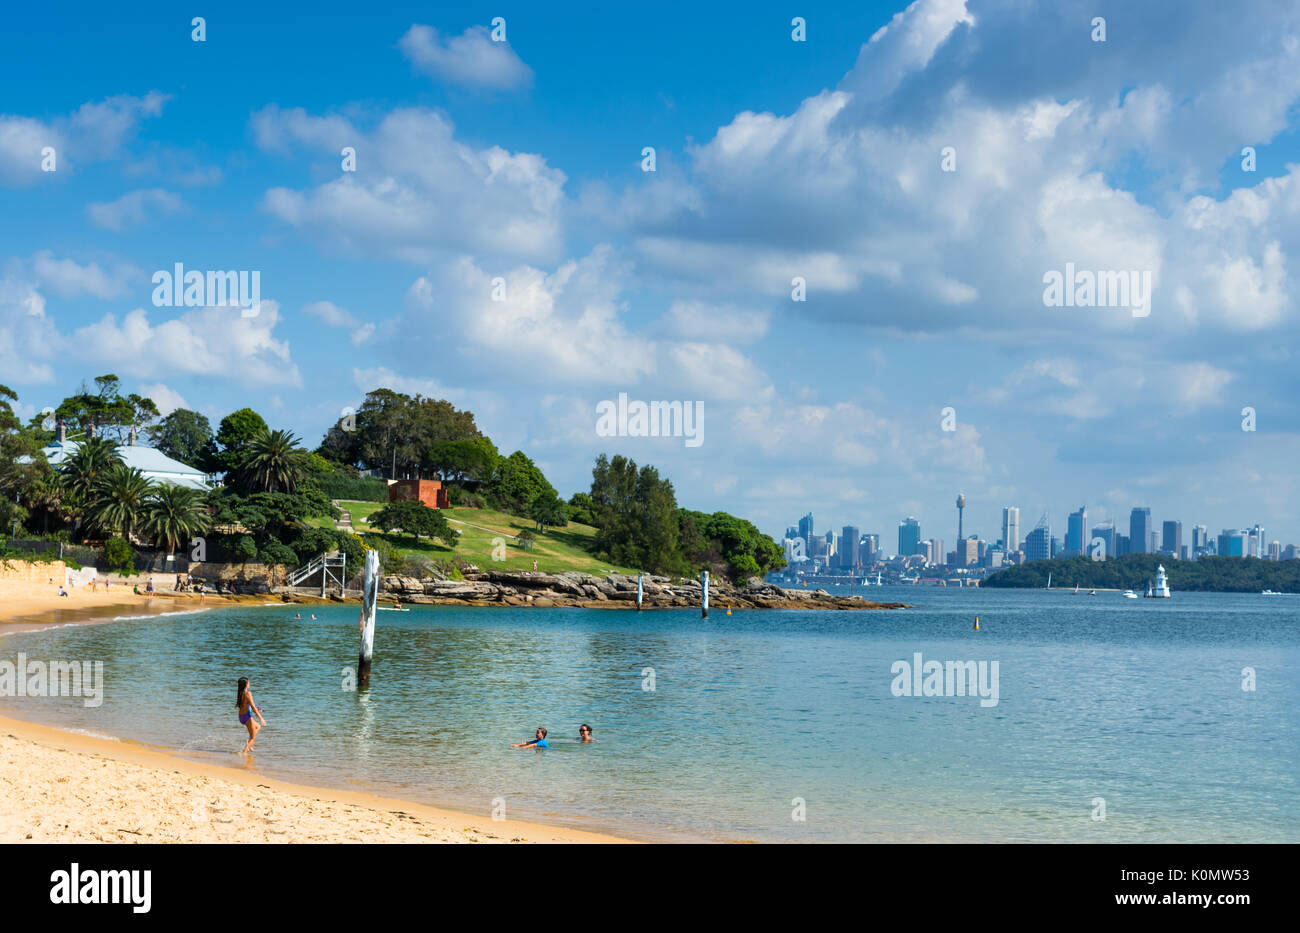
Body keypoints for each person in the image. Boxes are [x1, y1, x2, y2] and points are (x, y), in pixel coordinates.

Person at [236, 676, 267, 754]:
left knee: (258, 727)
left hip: (241, 717)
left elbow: (246, 705)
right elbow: (252, 707)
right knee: (253, 738)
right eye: (248, 682)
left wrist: (257, 708)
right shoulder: (248, 693)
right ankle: (244, 752)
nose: (249, 683)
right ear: (246, 684)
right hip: (247, 717)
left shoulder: (240, 693)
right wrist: (261, 718)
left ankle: (249, 744)